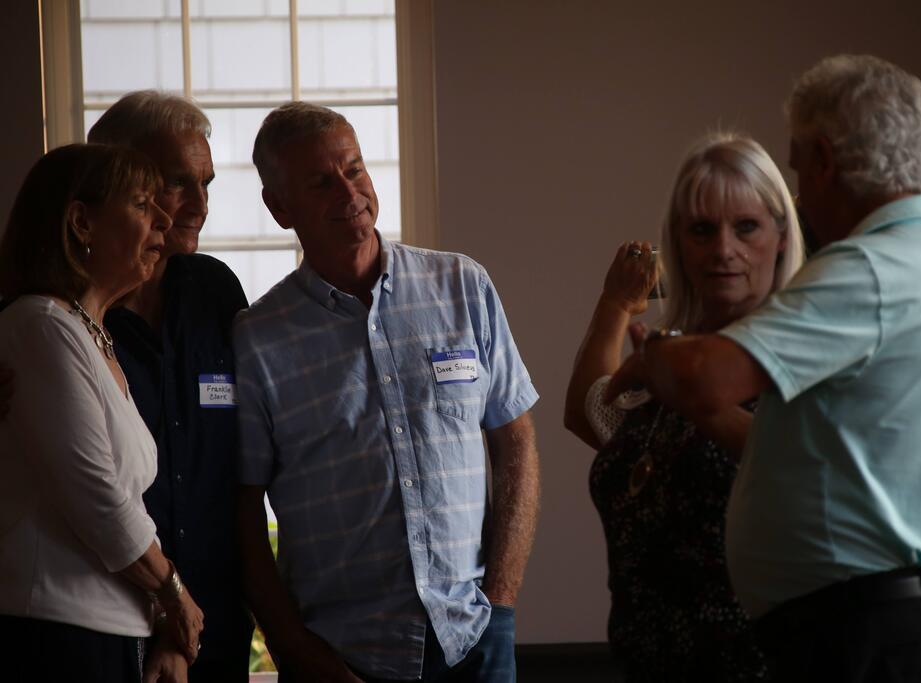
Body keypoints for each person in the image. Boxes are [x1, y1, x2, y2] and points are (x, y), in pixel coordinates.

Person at [607, 55, 921, 683]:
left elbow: (705, 379)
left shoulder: (871, 268)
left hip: (867, 640)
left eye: (796, 170)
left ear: (822, 160)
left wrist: (653, 358)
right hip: (894, 631)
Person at [234, 102, 541, 683]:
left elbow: (516, 440)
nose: (349, 192)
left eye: (354, 169)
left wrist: (500, 603)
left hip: (473, 639)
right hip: (340, 657)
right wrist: (293, 646)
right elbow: (243, 512)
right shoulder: (258, 339)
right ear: (280, 208)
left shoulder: (462, 285)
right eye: (321, 182)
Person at [564, 132, 804, 682]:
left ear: (781, 236)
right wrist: (617, 303)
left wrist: (697, 403)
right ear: (677, 243)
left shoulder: (798, 361)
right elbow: (589, 411)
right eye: (702, 230)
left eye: (746, 227)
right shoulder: (672, 357)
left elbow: (816, 471)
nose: (723, 249)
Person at [0, 143, 203, 682]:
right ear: (81, 222)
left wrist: (161, 616)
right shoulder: (40, 326)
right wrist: (174, 592)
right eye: (141, 203)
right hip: (55, 635)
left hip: (107, 633)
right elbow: (99, 498)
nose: (164, 219)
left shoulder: (89, 333)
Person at [86, 91, 254, 681]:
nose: (200, 205)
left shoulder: (216, 291)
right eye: (177, 183)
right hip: (113, 623)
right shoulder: (63, 315)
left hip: (217, 623)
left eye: (206, 183)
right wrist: (166, 606)